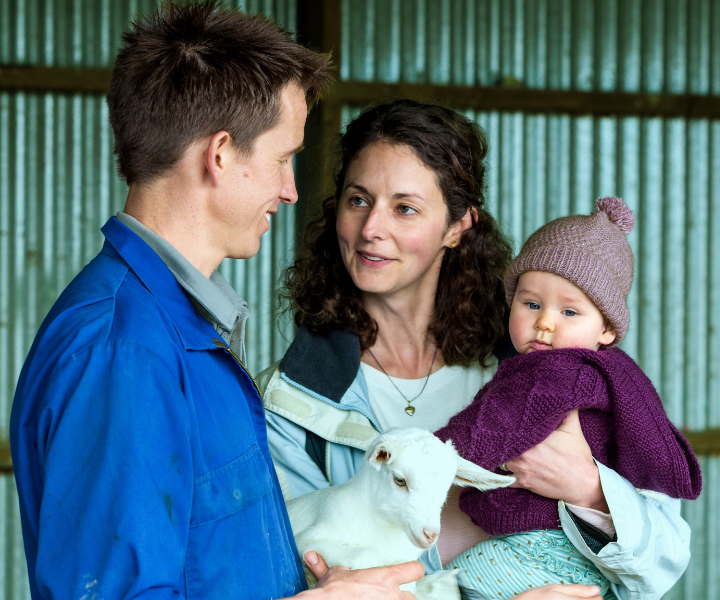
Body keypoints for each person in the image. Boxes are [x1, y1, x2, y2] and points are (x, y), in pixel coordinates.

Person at [9, 2, 432, 598]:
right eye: (284, 158)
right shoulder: (124, 352)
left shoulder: (175, 328)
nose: (290, 191)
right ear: (221, 154)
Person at [259, 100, 693, 600]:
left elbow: (666, 558)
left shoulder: (537, 364)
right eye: (358, 200)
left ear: (458, 225)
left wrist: (589, 488)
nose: (371, 228)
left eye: (405, 207)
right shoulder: (290, 401)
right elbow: (289, 574)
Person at [435, 197, 702, 599]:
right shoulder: (618, 379)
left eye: (569, 312)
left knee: (454, 581)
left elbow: (488, 429)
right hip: (582, 561)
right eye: (531, 304)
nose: (544, 322)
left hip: (542, 549)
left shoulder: (556, 373)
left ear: (607, 329)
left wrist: (429, 454)